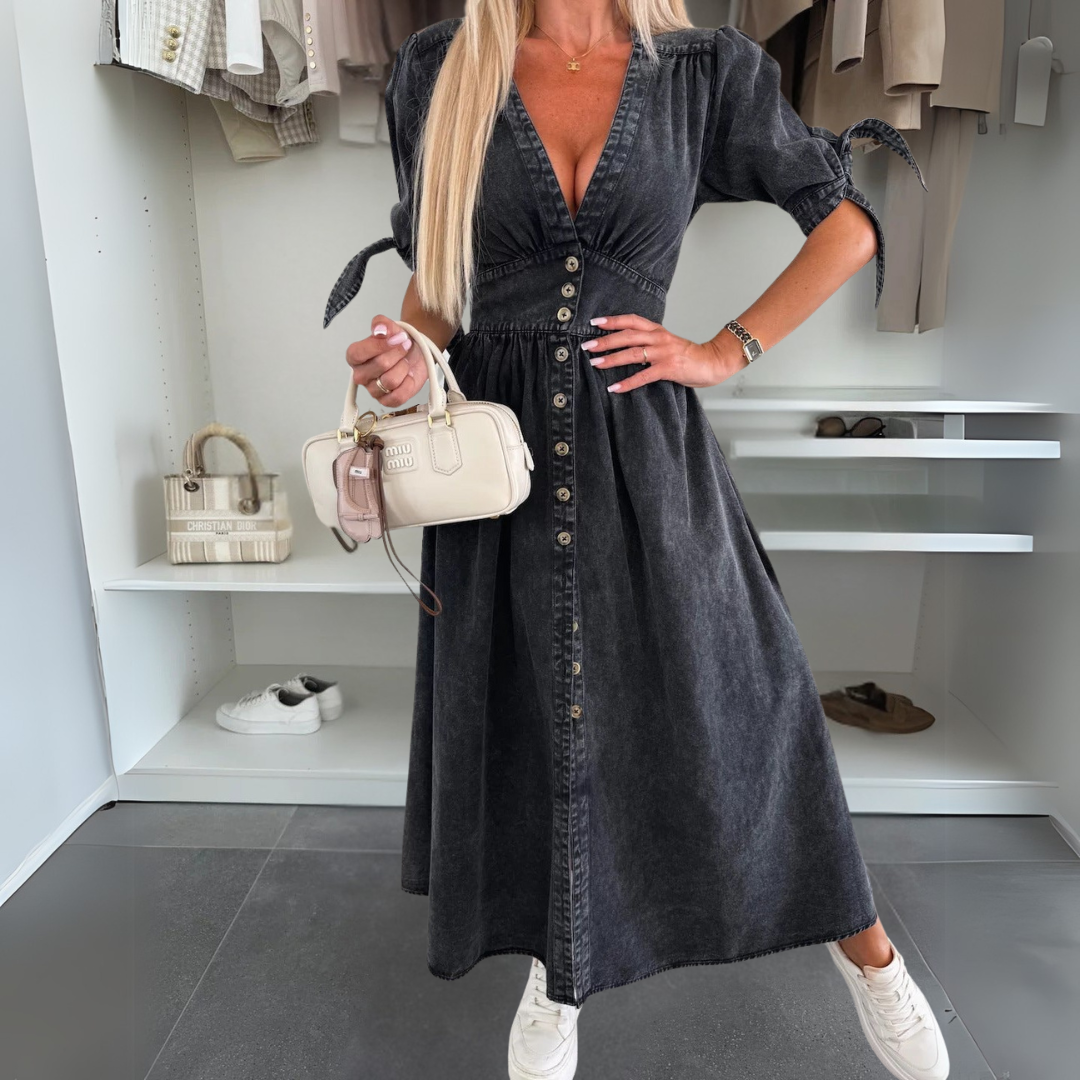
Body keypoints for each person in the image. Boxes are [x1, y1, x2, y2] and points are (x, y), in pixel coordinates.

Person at [322, 3, 947, 1079]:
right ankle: (559, 975)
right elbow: (437, 291)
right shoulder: (440, 65)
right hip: (501, 459)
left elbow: (849, 226)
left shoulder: (704, 70)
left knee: (747, 706)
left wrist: (723, 350)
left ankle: (871, 956)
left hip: (644, 444)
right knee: (538, 715)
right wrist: (404, 354)